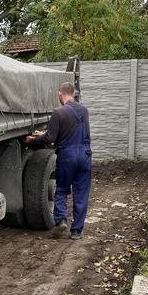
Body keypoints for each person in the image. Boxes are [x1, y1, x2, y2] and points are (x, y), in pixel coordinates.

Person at [24, 82, 92, 240]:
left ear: (61, 93)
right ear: (73, 93)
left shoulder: (58, 112)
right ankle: (76, 231)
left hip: (67, 156)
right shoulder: (84, 110)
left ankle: (61, 220)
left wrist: (32, 140)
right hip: (85, 155)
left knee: (61, 189)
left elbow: (50, 138)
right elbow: (71, 130)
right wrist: (45, 133)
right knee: (81, 194)